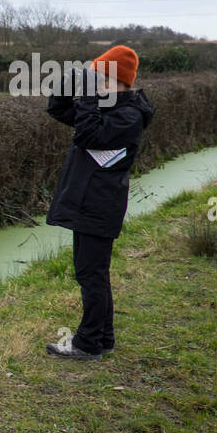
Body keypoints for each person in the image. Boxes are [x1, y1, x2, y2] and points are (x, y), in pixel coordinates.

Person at [44, 45, 155, 361]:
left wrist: (90, 96)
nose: (97, 83)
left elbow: (88, 135)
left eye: (103, 78)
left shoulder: (128, 117)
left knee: (91, 275)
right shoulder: (109, 108)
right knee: (92, 273)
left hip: (99, 207)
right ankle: (103, 338)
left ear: (118, 80)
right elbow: (59, 110)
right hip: (89, 205)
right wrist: (68, 83)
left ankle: (87, 343)